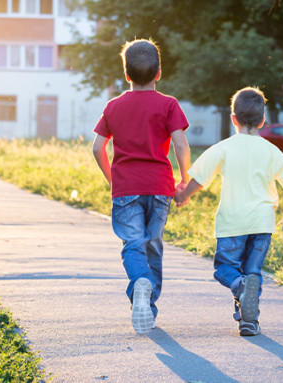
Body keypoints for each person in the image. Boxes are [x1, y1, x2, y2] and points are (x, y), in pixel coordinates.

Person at [175, 87, 283, 336]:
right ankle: (249, 321)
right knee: (252, 273)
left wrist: (182, 195)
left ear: (233, 118)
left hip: (232, 223)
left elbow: (199, 178)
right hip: (262, 224)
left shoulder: (223, 148)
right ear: (262, 120)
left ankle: (238, 288)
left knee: (225, 269)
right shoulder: (272, 150)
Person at [92, 39, 191, 335]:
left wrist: (113, 179)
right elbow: (181, 145)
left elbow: (97, 148)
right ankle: (148, 306)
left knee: (132, 245)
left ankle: (140, 286)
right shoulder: (169, 104)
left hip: (126, 189)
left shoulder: (113, 106)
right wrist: (184, 180)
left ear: (126, 75)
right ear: (158, 73)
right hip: (160, 188)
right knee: (153, 245)